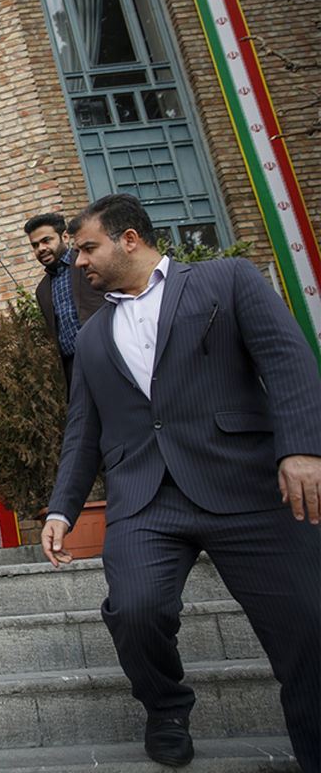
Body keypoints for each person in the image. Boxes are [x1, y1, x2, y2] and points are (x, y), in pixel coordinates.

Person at [41, 194, 321, 770]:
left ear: (131, 239)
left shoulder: (227, 280)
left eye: (88, 248)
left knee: (308, 622)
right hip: (145, 498)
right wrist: (61, 509)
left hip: (244, 486)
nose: (79, 263)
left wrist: (301, 448)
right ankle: (165, 707)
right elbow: (82, 431)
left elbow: (287, 360)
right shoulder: (92, 336)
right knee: (135, 610)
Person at [25, 212, 106, 392]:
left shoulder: (89, 264)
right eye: (35, 245)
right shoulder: (43, 290)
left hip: (106, 359)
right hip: (72, 370)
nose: (41, 248)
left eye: (47, 240)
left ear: (65, 237)